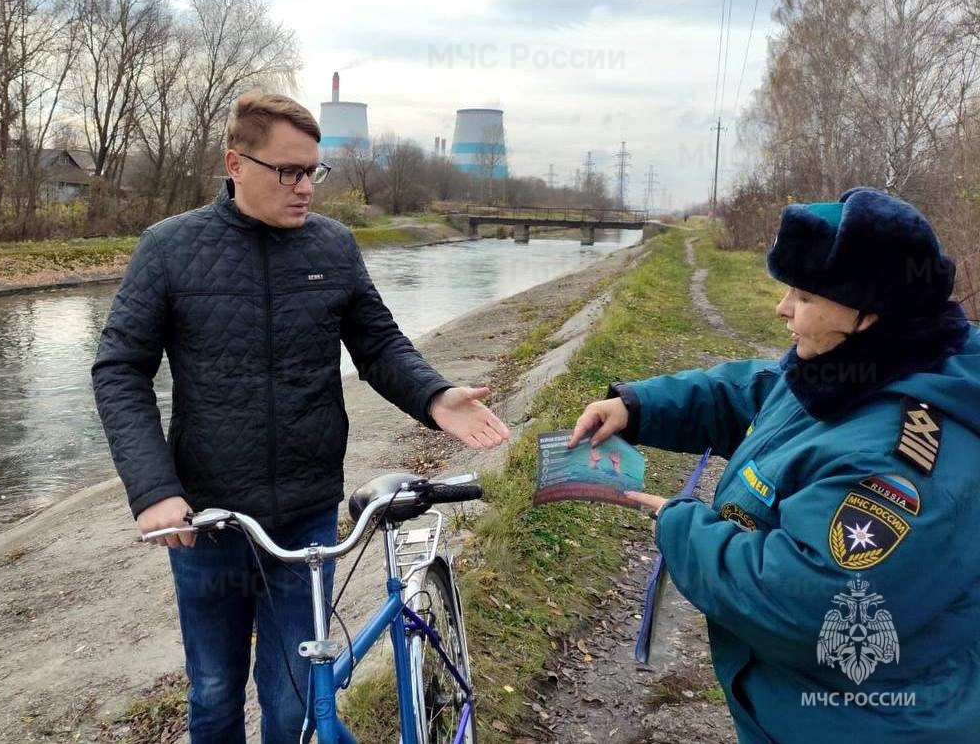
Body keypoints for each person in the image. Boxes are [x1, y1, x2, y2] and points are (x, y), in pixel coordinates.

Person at [92, 91, 509, 743]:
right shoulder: (168, 249)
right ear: (235, 162)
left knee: (293, 704)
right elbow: (119, 369)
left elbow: (379, 346)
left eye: (315, 170)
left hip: (307, 519)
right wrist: (154, 491)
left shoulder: (333, 247)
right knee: (213, 695)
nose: (307, 186)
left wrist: (434, 395)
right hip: (208, 519)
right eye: (290, 171)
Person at [569, 187, 979, 744]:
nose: (782, 309)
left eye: (805, 296)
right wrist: (637, 407)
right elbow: (756, 393)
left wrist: (681, 523)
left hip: (865, 723)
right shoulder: (850, 367)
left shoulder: (901, 458)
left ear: (870, 315)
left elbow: (808, 603)